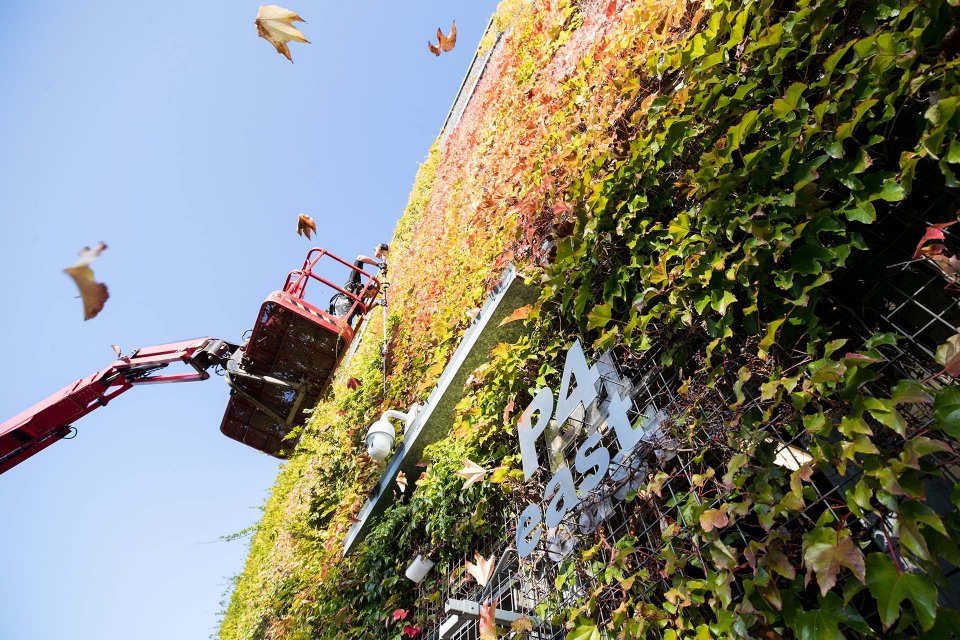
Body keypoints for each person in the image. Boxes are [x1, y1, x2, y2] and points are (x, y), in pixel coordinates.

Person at [329, 243, 388, 324]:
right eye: (373, 293)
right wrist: (377, 264)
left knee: (345, 327)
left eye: (373, 296)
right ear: (370, 287)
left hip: (348, 310)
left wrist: (377, 302)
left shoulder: (361, 300)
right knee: (343, 323)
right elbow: (360, 258)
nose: (371, 296)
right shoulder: (354, 280)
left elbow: (363, 310)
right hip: (342, 301)